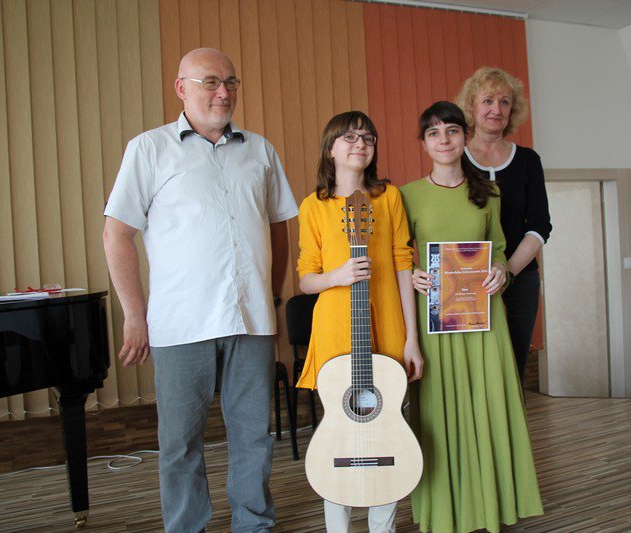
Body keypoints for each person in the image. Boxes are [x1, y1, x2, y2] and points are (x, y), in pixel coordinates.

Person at [102, 48, 297, 532]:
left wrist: (272, 298)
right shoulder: (149, 149)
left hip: (251, 318)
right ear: (181, 88)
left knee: (254, 434)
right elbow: (117, 233)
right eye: (210, 82)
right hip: (180, 321)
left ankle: (253, 523)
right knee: (180, 443)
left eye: (231, 82)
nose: (223, 92)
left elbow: (278, 228)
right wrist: (134, 315)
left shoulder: (261, 151)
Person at [401, 101, 543, 533]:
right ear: (424, 143)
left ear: (465, 137)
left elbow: (498, 246)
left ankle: (490, 506)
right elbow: (400, 256)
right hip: (434, 320)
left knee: (489, 405)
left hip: (484, 318)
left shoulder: (490, 193)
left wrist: (500, 269)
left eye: (451, 131)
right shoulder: (406, 195)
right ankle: (445, 511)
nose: (443, 140)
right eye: (433, 133)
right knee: (439, 414)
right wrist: (414, 272)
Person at [296, 111, 424, 532]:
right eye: (349, 137)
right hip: (336, 330)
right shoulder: (313, 205)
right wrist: (338, 276)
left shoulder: (389, 197)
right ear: (330, 148)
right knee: (340, 432)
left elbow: (403, 263)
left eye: (368, 137)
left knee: (386, 431)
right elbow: (306, 279)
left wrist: (411, 339)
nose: (360, 144)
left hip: (385, 324)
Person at [456, 67, 552, 383]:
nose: (496, 109)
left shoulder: (528, 161)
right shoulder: (456, 159)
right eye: (487, 101)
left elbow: (540, 225)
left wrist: (506, 272)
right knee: (475, 365)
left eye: (504, 102)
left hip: (520, 276)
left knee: (515, 361)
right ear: (472, 107)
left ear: (513, 110)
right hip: (468, 276)